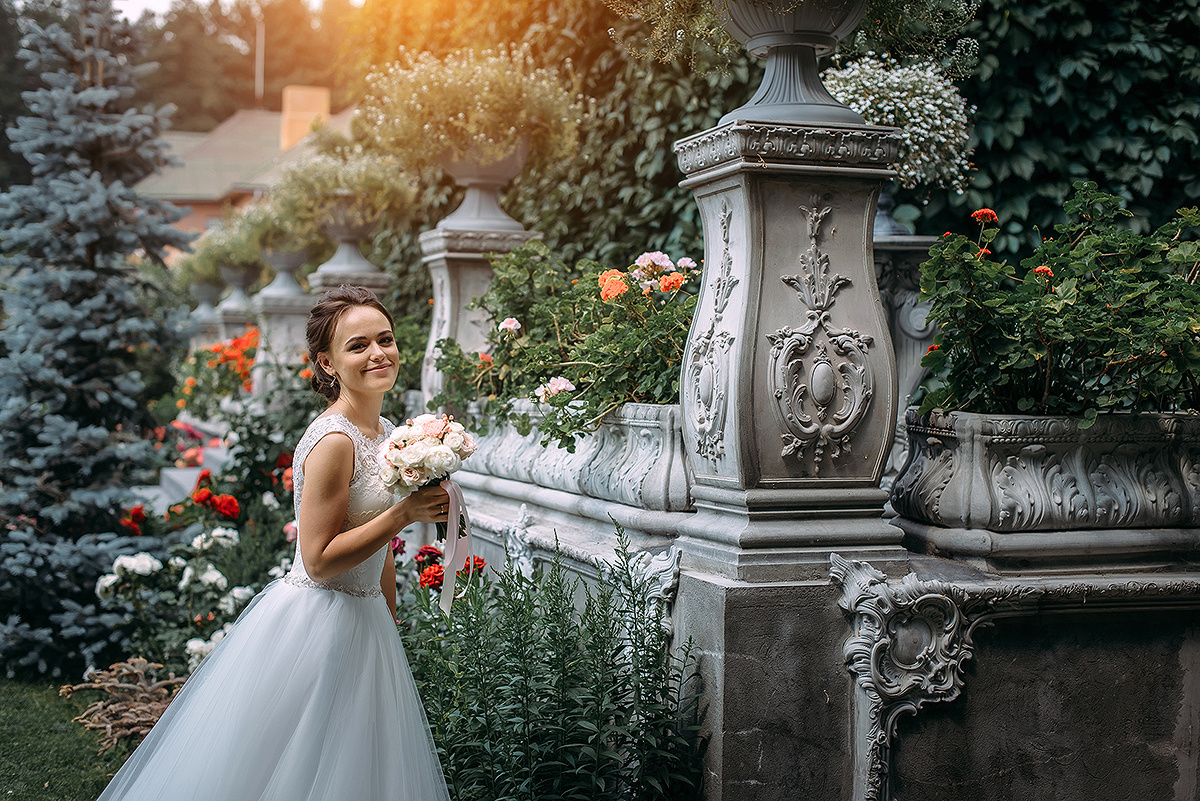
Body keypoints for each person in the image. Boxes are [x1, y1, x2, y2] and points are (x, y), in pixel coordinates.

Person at [97, 285, 452, 801]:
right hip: (320, 622)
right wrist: (404, 514)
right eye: (358, 345)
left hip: (366, 621)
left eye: (385, 339)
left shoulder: (389, 434)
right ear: (327, 363)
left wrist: (389, 621)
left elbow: (378, 552)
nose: (379, 353)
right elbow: (318, 561)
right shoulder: (335, 441)